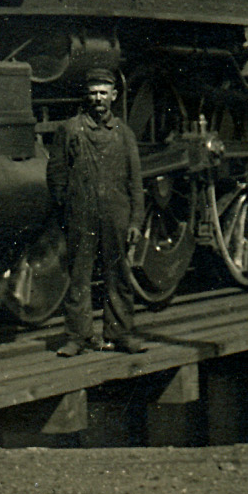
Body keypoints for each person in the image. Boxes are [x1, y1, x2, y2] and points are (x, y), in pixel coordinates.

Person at [47, 67, 148, 355]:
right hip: (81, 215)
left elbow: (136, 182)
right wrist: (67, 207)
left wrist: (135, 222)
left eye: (103, 93)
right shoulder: (70, 130)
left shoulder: (124, 134)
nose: (98, 98)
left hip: (116, 215)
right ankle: (77, 337)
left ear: (114, 96)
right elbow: (56, 173)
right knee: (78, 277)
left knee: (118, 276)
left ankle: (121, 333)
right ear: (86, 96)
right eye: (93, 93)